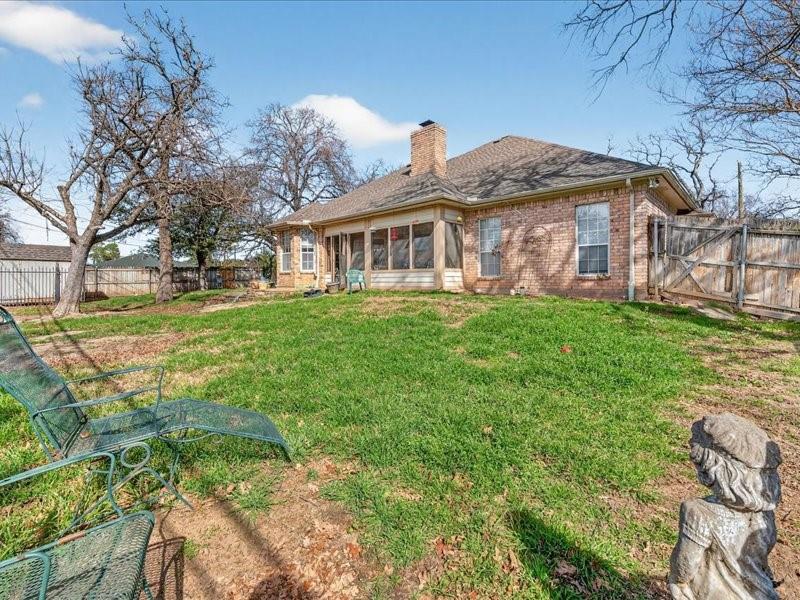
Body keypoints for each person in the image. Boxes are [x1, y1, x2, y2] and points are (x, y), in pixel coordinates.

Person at [669, 413, 782, 600]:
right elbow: (763, 555)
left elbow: (685, 565)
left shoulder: (699, 513)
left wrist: (677, 581)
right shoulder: (764, 516)